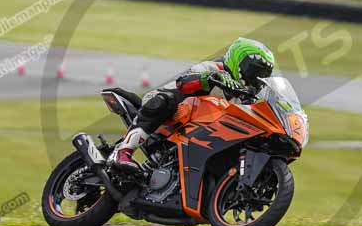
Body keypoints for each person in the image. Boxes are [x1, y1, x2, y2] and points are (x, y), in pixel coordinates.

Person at [108, 37, 275, 173]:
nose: (257, 80)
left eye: (262, 76)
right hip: (170, 115)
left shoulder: (246, 97)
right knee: (165, 101)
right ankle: (123, 151)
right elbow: (183, 82)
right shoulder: (213, 67)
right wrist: (209, 78)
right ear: (239, 63)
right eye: (255, 73)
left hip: (200, 134)